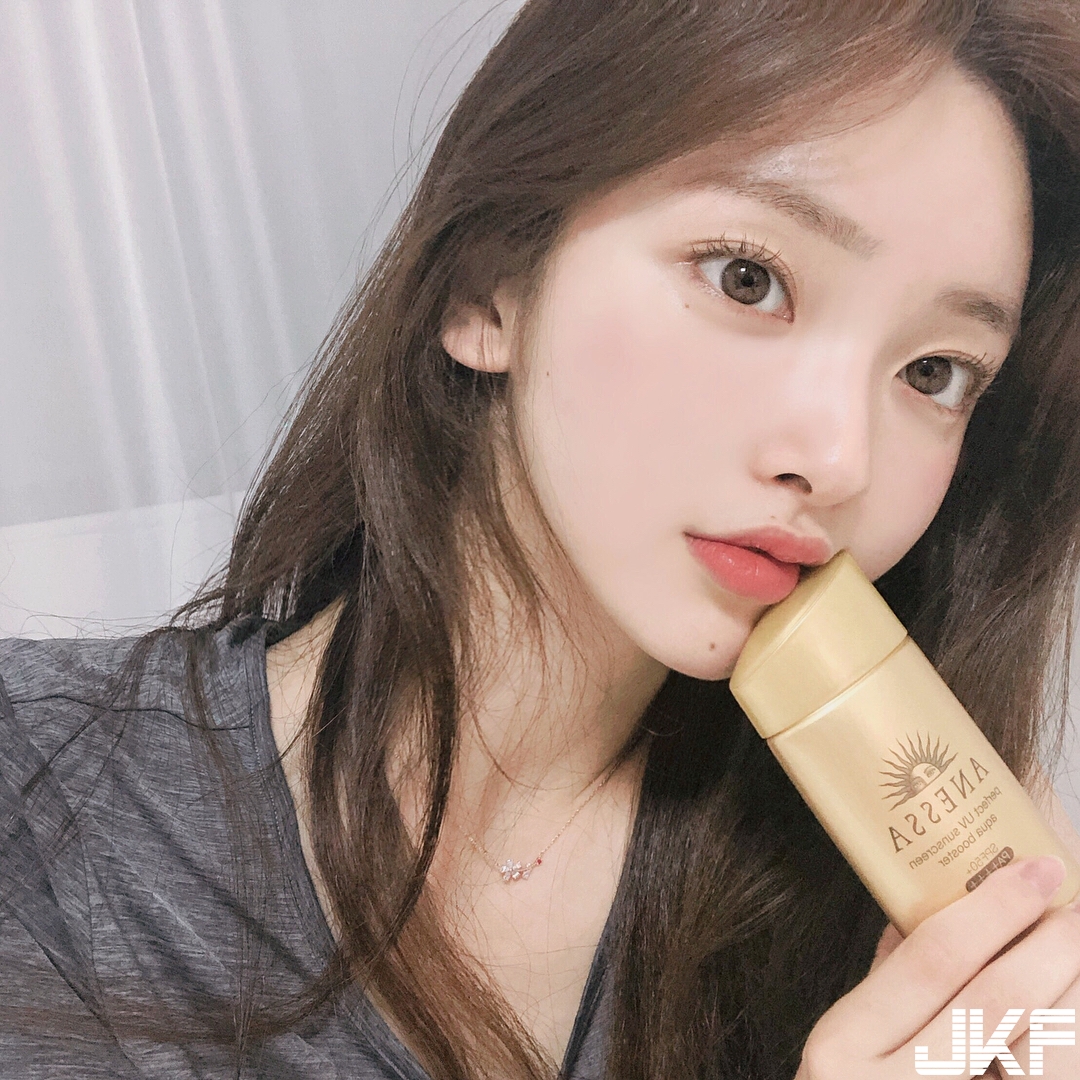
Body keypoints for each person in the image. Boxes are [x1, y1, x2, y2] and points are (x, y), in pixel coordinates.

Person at [3, 1, 1080, 1077]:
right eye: (747, 279)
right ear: (488, 287)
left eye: (935, 372)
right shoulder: (40, 800)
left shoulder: (908, 874)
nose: (840, 459)